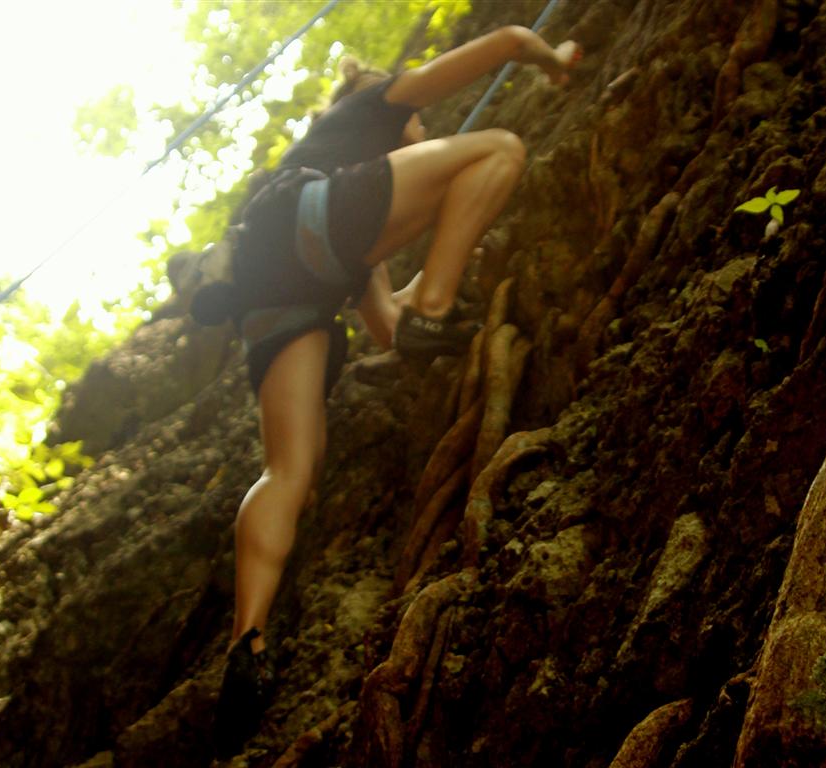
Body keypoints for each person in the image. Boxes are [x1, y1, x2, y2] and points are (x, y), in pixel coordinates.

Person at [193, 24, 581, 753]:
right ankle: (444, 300)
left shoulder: (342, 191)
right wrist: (553, 60)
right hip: (315, 230)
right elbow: (505, 39)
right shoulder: (372, 106)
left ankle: (247, 641)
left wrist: (411, 300)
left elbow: (384, 330)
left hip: (276, 286)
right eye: (419, 125)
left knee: (286, 472)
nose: (423, 130)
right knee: (500, 147)